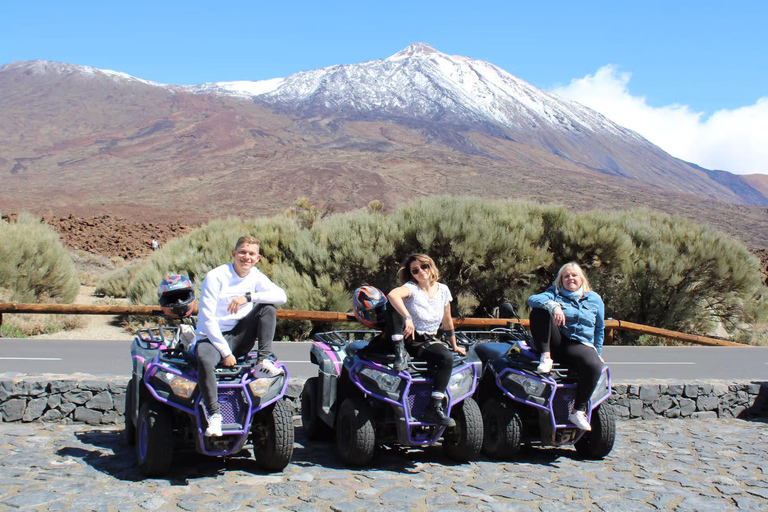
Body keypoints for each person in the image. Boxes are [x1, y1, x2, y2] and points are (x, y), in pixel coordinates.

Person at [193, 235, 288, 437]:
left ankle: (263, 360)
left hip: (239, 335)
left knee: (267, 309)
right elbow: (207, 319)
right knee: (204, 359)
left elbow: (282, 296)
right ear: (234, 254)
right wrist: (226, 353)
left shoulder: (256, 276)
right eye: (243, 252)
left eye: (251, 254)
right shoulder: (216, 276)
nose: (247, 257)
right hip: (211, 337)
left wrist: (249, 297)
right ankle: (215, 415)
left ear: (258, 258)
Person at [386, 253, 466, 427]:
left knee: (448, 357)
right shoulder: (411, 288)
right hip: (411, 338)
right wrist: (407, 317)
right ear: (412, 274)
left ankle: (435, 407)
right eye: (415, 270)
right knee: (392, 306)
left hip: (430, 339)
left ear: (431, 266)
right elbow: (392, 295)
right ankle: (400, 351)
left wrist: (454, 345)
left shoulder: (443, 290)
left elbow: (447, 319)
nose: (421, 272)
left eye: (424, 266)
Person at [527, 262, 605, 431]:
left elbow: (600, 328)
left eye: (574, 275)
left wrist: (597, 352)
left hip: (579, 345)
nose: (570, 278)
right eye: (566, 276)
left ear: (581, 279)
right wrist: (553, 305)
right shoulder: (554, 293)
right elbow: (532, 299)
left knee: (595, 365)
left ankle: (577, 410)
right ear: (561, 280)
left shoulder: (594, 299)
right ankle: (545, 356)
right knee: (540, 310)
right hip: (558, 340)